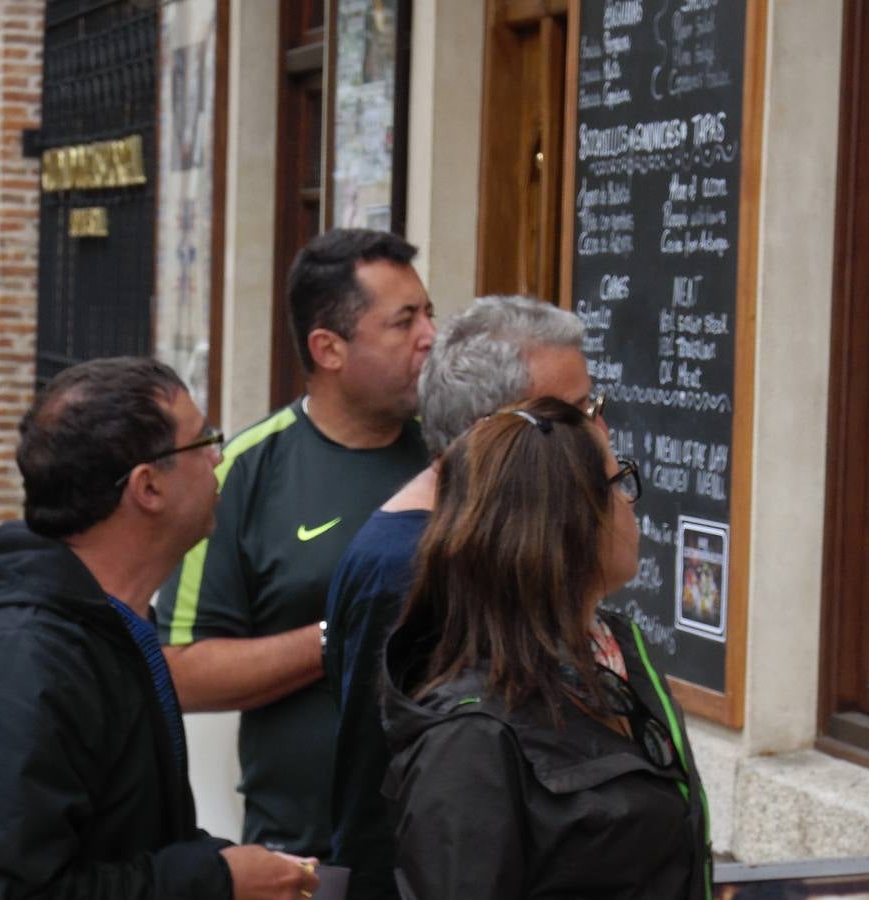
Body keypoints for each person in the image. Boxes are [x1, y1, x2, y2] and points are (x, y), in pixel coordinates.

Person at [0, 358, 319, 899]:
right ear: (147, 487)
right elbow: (6, 891)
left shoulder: (105, 622)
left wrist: (220, 861)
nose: (218, 456)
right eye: (202, 441)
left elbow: (114, 835)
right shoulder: (18, 662)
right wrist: (216, 881)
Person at [157, 229, 434, 857]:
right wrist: (341, 636)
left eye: (428, 314)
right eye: (404, 322)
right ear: (328, 348)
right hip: (305, 853)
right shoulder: (240, 473)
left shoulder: (456, 459)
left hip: (446, 841)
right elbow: (182, 672)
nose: (430, 338)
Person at [381, 397, 713, 899]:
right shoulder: (469, 741)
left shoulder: (617, 652)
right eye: (617, 482)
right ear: (567, 519)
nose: (630, 502)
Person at [324, 294, 595, 900]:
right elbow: (388, 782)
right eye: (574, 415)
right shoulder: (410, 566)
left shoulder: (475, 537)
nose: (599, 435)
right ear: (494, 432)